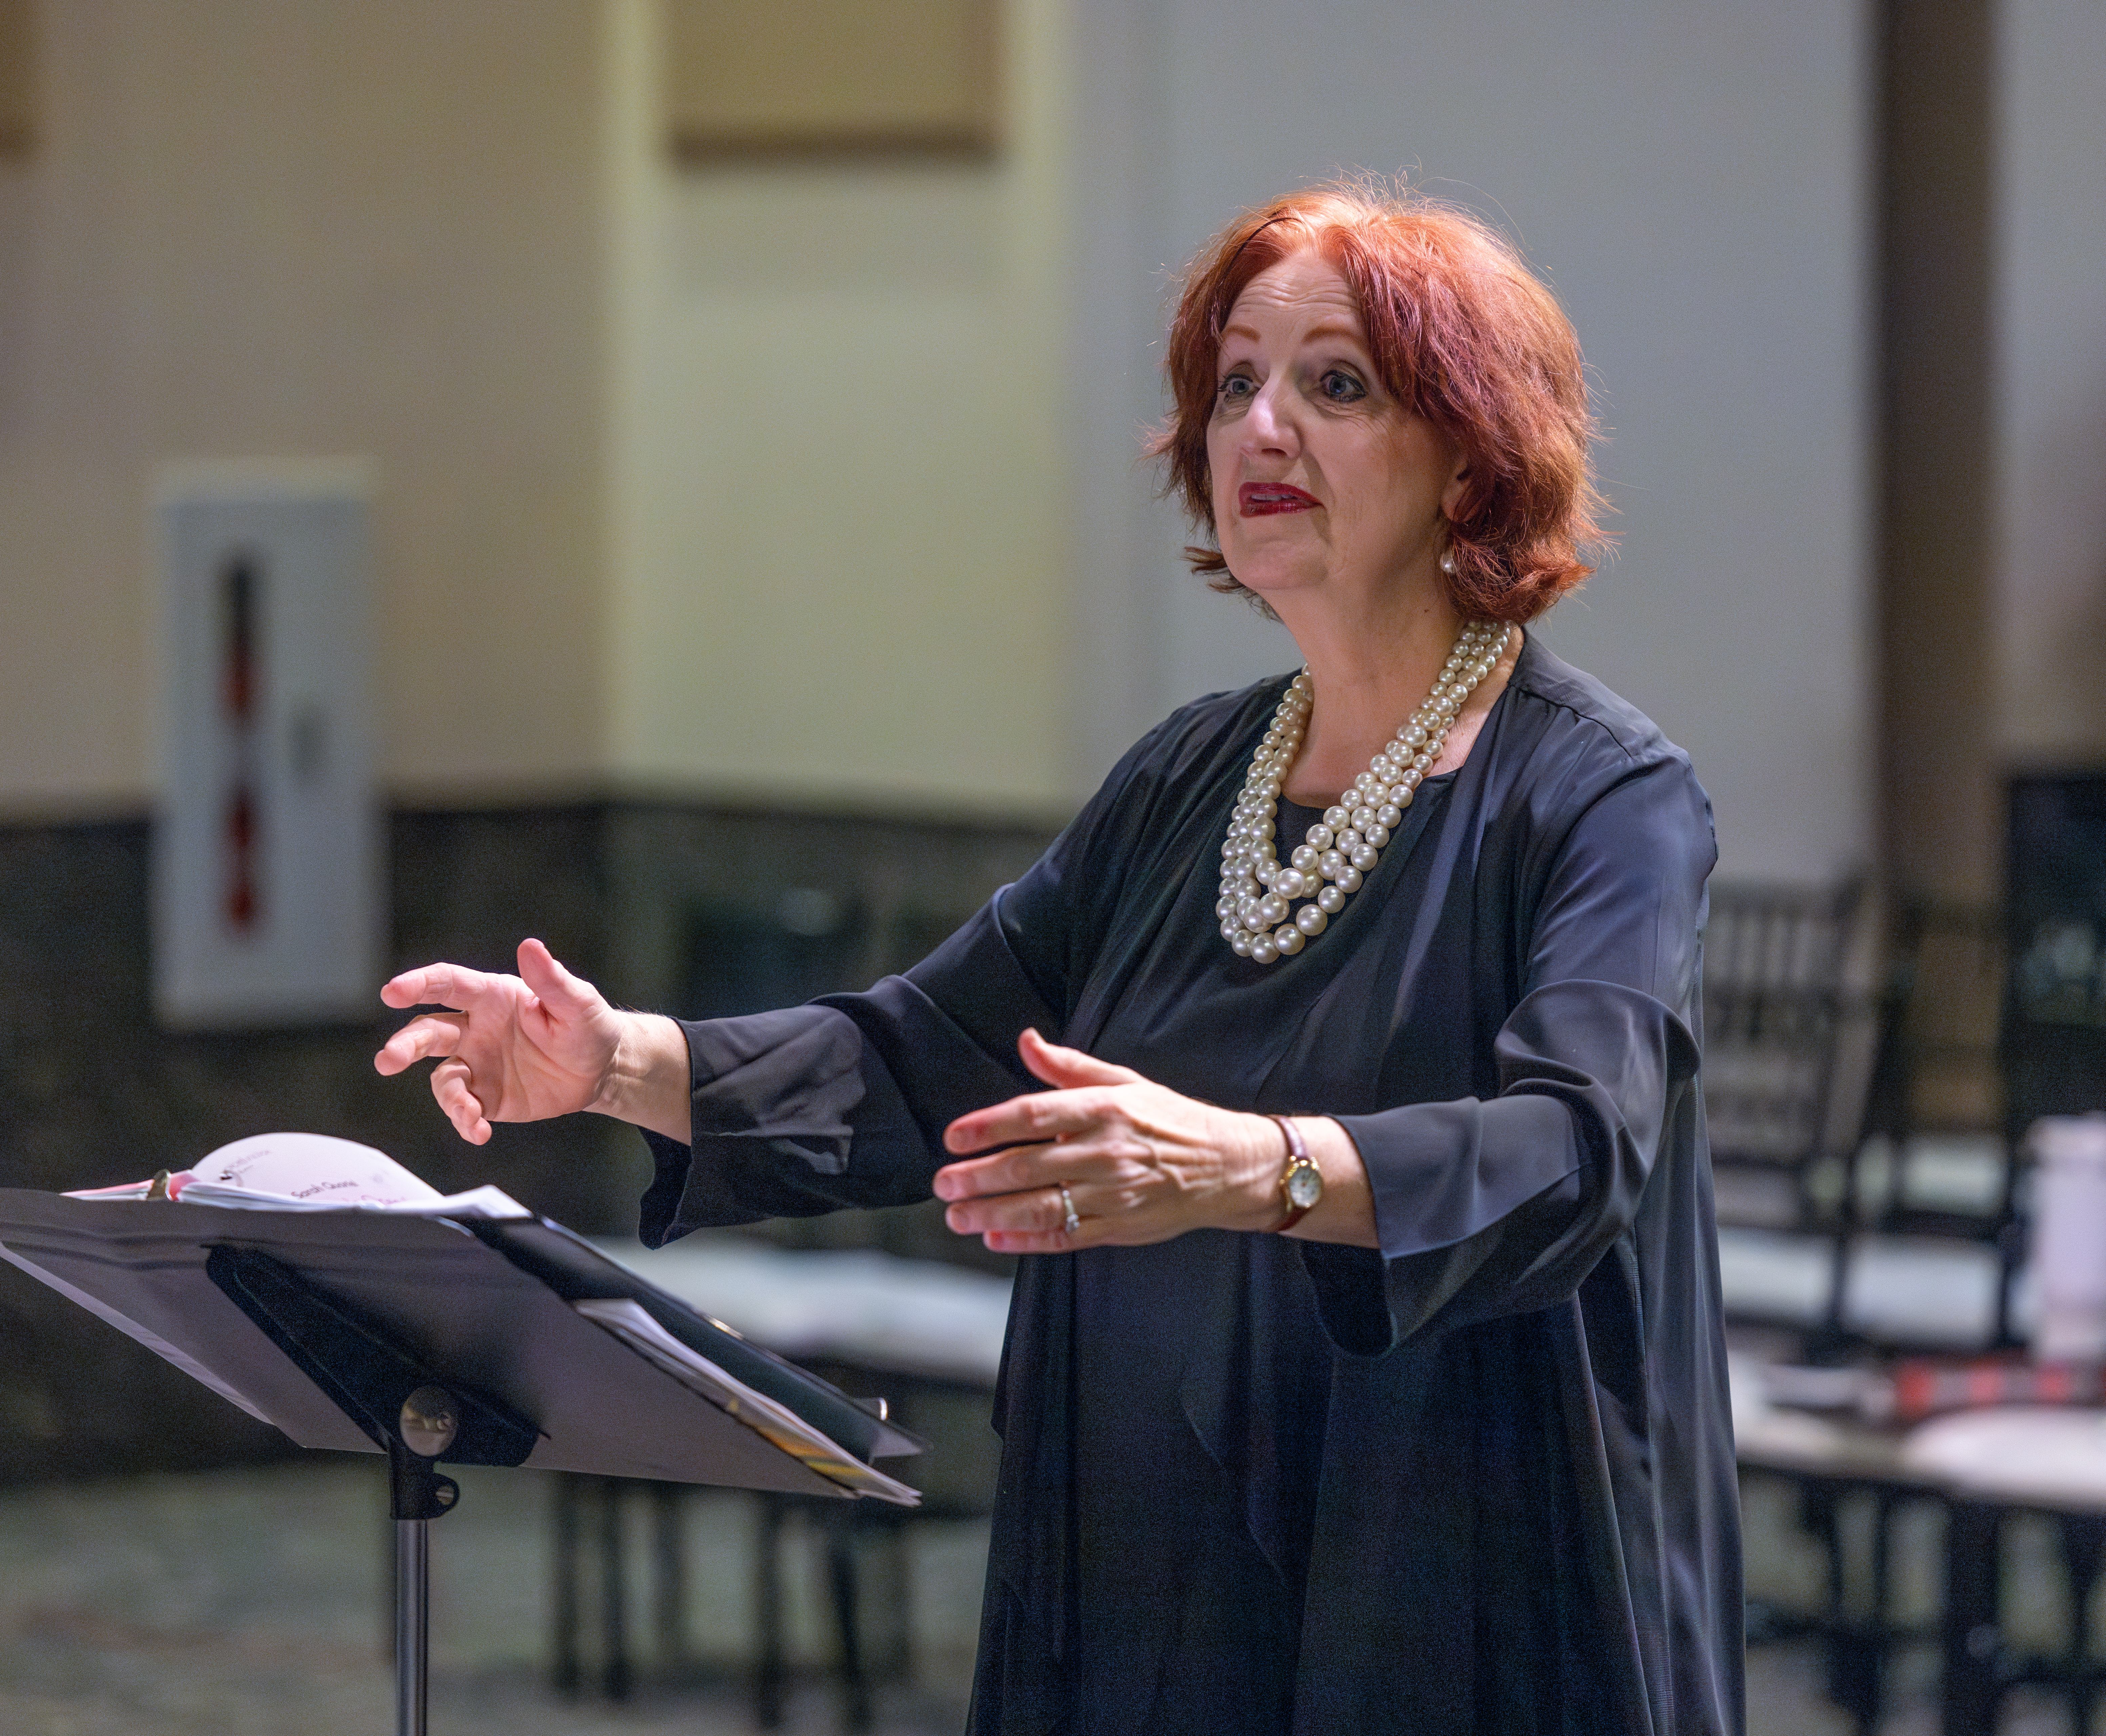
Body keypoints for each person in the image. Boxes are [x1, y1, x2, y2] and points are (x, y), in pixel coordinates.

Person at [374, 182, 1739, 1735]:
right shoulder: (1186, 783)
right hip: (1156, 1559)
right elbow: (924, 1056)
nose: (1260, 427)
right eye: (1234, 383)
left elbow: (1576, 1147)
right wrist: (615, 1061)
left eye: (1336, 384)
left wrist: (1251, 1167)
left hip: (1456, 1566)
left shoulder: (1601, 798)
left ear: (1472, 457)